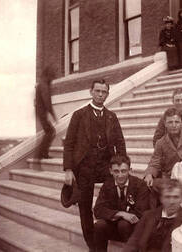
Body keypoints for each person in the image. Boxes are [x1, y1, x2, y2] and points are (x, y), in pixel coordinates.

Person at [63, 79, 126, 251]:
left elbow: (120, 143)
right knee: (85, 207)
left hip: (106, 166)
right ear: (91, 92)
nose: (100, 95)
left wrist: (123, 165)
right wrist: (68, 169)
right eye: (97, 91)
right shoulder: (79, 114)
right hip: (84, 166)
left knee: (110, 200)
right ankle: (93, 245)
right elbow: (69, 143)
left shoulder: (112, 116)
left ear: (107, 94)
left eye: (104, 92)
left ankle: (109, 231)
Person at [93, 156, 149, 252]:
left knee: (124, 224)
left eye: (123, 171)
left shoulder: (140, 185)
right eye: (116, 171)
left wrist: (119, 216)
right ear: (110, 171)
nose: (120, 175)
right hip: (115, 227)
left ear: (130, 170)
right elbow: (98, 209)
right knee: (99, 225)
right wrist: (121, 214)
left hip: (132, 230)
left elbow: (142, 212)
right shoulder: (107, 185)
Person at [123, 179, 182, 252]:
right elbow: (133, 242)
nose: (171, 202)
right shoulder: (148, 216)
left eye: (176, 197)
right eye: (167, 197)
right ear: (161, 199)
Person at [144, 108, 182, 187]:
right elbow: (155, 162)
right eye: (170, 122)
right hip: (170, 179)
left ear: (181, 123)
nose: (174, 125)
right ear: (165, 124)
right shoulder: (160, 143)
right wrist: (149, 174)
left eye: (177, 122)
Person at [35, 67, 57, 159]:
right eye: (52, 77)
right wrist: (53, 114)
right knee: (50, 131)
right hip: (42, 112)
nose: (52, 80)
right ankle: (41, 154)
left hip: (40, 111)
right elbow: (47, 101)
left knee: (50, 131)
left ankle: (43, 153)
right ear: (48, 75)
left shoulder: (41, 83)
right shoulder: (44, 85)